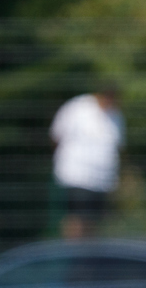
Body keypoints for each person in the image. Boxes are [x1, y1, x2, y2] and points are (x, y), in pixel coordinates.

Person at [50, 85, 125, 238]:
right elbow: (56, 136)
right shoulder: (77, 108)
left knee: (94, 220)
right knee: (77, 218)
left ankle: (89, 255)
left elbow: (119, 147)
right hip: (78, 177)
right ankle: (74, 254)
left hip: (102, 182)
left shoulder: (116, 115)